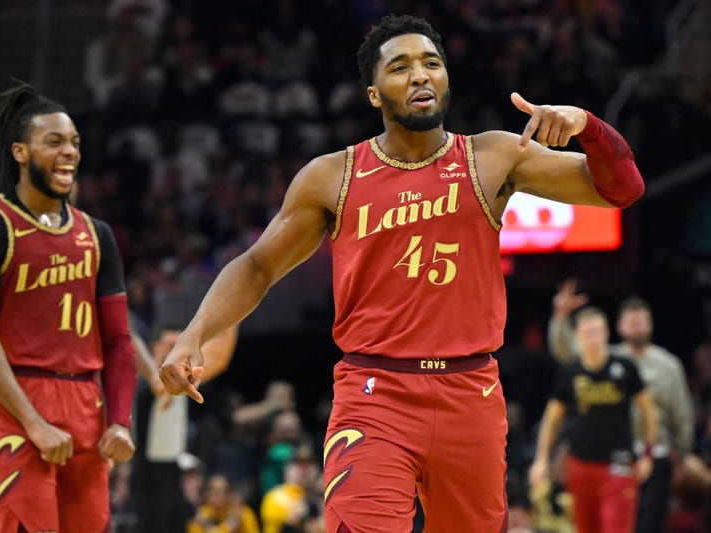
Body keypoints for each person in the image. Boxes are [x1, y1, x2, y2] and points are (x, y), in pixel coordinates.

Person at [159, 14, 645, 532]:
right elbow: (257, 266)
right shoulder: (332, 176)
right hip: (375, 393)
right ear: (374, 94)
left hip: (471, 393)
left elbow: (622, 190)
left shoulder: (494, 156)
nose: (419, 76)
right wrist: (195, 334)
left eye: (431, 63)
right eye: (401, 67)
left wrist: (586, 125)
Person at [0, 80, 137, 533]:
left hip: (84, 403)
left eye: (74, 142)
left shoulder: (97, 234)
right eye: (53, 142)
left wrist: (120, 422)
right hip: (15, 398)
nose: (69, 152)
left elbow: (118, 340)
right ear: (20, 152)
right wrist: (33, 423)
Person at [548, 280, 695, 533]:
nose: (637, 326)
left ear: (651, 324)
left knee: (648, 526)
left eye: (642, 320)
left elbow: (682, 414)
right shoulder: (606, 358)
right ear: (617, 327)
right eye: (632, 321)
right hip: (614, 457)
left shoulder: (668, 365)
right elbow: (567, 351)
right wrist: (561, 316)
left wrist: (681, 455)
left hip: (654, 455)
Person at [529, 306, 658, 533]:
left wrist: (648, 453)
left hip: (619, 464)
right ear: (577, 337)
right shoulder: (571, 372)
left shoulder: (625, 368)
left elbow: (649, 411)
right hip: (580, 465)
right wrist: (541, 460)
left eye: (598, 331)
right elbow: (551, 419)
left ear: (607, 334)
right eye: (588, 332)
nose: (594, 338)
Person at [131, 320, 237, 533]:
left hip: (174, 474)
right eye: (169, 347)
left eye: (177, 347)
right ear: (154, 348)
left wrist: (235, 315)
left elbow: (220, 359)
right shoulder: (150, 383)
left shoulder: (181, 379)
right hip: (146, 479)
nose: (174, 353)